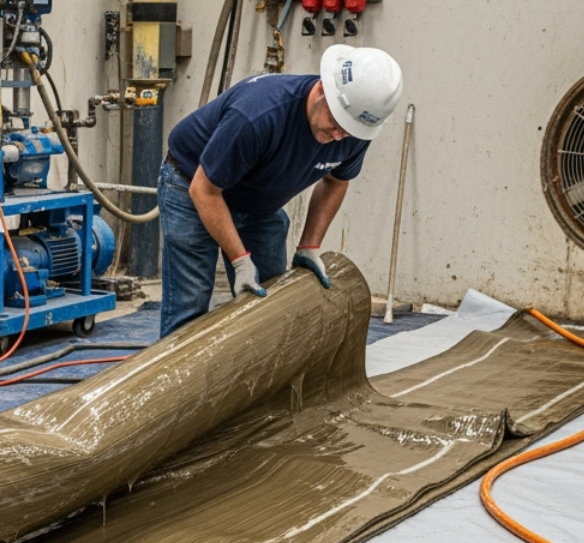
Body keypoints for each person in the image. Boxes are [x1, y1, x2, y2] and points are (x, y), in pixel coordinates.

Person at [156, 44, 403, 338]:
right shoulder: (258, 115)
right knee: (190, 308)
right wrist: (240, 260)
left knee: (269, 303)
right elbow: (204, 190)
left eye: (350, 131)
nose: (340, 136)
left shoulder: (354, 126)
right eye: (337, 124)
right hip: (192, 186)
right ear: (323, 90)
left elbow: (336, 180)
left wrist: (310, 246)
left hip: (257, 199)